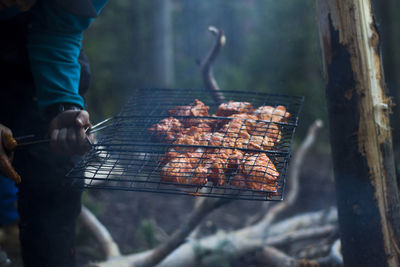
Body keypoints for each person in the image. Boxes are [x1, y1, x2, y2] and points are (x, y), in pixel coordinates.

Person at [0, 0, 108, 266]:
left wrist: (62, 103)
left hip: (29, 54)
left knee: (55, 177)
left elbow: (59, 28)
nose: (25, 6)